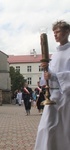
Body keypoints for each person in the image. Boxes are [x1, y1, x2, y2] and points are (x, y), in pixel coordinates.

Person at [35, 20, 70, 150]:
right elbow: (50, 75)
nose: (55, 35)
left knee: (64, 130)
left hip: (66, 97)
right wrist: (46, 69)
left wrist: (54, 76)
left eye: (58, 32)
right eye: (54, 32)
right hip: (53, 97)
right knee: (46, 127)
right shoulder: (54, 54)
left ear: (67, 32)